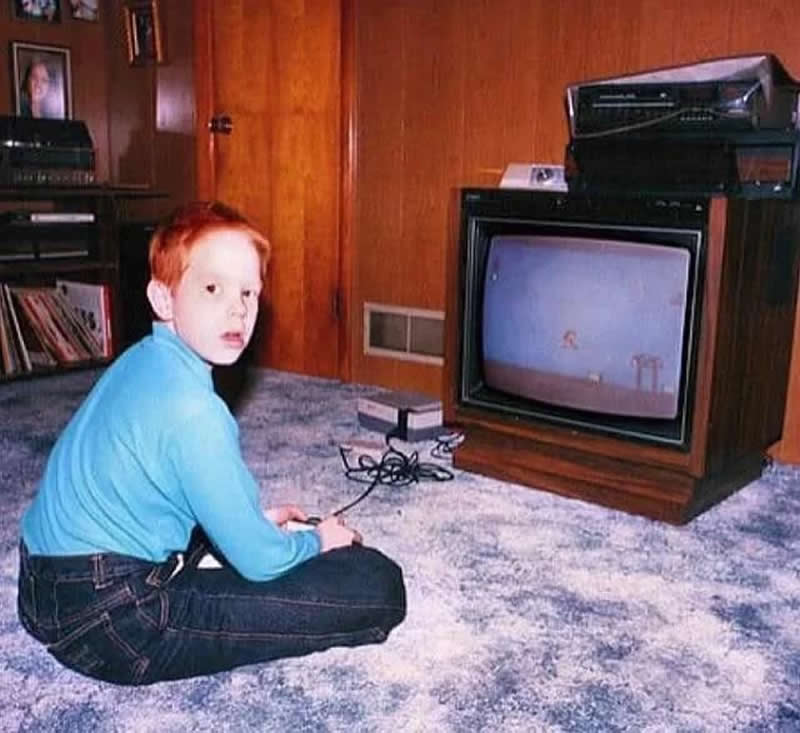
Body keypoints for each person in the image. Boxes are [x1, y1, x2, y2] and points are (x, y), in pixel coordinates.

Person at [17, 201, 406, 685]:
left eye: (249, 292)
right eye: (212, 288)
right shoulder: (196, 411)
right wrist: (316, 540)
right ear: (163, 299)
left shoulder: (141, 360)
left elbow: (158, 483)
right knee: (375, 584)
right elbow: (262, 562)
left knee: (247, 541)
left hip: (41, 588)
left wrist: (244, 525)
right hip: (112, 621)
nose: (237, 309)